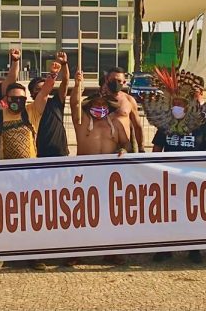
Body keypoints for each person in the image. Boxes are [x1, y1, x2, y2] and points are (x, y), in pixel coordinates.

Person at [0, 58, 60, 271]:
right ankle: (0, 255)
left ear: (25, 99)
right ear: (6, 99)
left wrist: (53, 74)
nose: (17, 101)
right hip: (4, 174)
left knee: (33, 216)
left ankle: (35, 255)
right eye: (13, 98)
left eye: (21, 98)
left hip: (31, 175)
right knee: (4, 216)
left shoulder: (32, 112)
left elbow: (44, 94)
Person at [144, 68, 206, 264]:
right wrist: (154, 170)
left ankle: (193, 248)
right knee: (167, 213)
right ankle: (164, 247)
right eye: (175, 103)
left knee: (193, 213)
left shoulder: (201, 123)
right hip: (169, 176)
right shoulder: (166, 124)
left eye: (182, 103)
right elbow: (157, 147)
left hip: (193, 176)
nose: (178, 106)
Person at [69, 70, 130, 265]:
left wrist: (124, 150)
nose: (99, 107)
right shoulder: (82, 122)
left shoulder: (117, 124)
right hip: (84, 175)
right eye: (95, 104)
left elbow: (127, 145)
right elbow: (74, 103)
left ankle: (110, 252)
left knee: (108, 215)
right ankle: (75, 252)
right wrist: (78, 84)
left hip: (108, 177)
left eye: (103, 105)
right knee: (80, 215)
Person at [29, 51, 70, 158]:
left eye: (44, 87)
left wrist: (64, 64)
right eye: (38, 89)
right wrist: (53, 74)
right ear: (32, 93)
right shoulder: (32, 108)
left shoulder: (56, 102)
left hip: (61, 152)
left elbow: (65, 82)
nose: (43, 90)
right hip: (41, 154)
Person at [101, 67, 144, 153]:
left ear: (124, 82)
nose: (116, 83)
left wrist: (141, 148)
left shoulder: (129, 100)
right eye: (113, 80)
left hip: (124, 149)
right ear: (107, 79)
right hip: (103, 148)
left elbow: (137, 126)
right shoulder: (97, 101)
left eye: (119, 81)